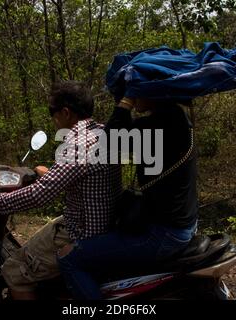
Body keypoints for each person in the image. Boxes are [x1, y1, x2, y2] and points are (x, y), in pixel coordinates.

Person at [0, 81, 122, 299]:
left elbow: (40, 194)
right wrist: (51, 173)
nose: (53, 121)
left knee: (14, 270)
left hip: (80, 232)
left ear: (66, 113)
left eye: (53, 115)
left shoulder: (78, 143)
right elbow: (85, 176)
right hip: (100, 223)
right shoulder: (101, 132)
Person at [57, 96, 198, 299]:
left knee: (69, 258)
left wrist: (127, 101)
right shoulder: (179, 118)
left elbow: (107, 141)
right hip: (183, 225)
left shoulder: (153, 126)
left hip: (163, 233)